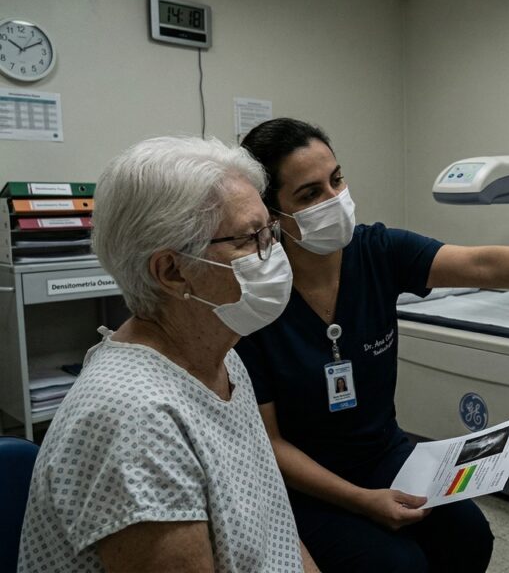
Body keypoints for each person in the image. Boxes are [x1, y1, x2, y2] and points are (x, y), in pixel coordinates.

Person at [236, 117, 509, 572]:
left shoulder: (376, 252)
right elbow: (269, 442)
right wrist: (363, 501)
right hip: (305, 485)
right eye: (310, 195)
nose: (334, 200)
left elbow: (481, 264)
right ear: (271, 215)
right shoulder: (257, 300)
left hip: (382, 454)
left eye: (337, 180)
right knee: (397, 565)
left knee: (469, 535)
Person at [18, 137, 318, 572]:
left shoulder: (220, 354)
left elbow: (277, 539)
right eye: (251, 239)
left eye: (269, 231)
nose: (273, 253)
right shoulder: (136, 421)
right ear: (173, 272)